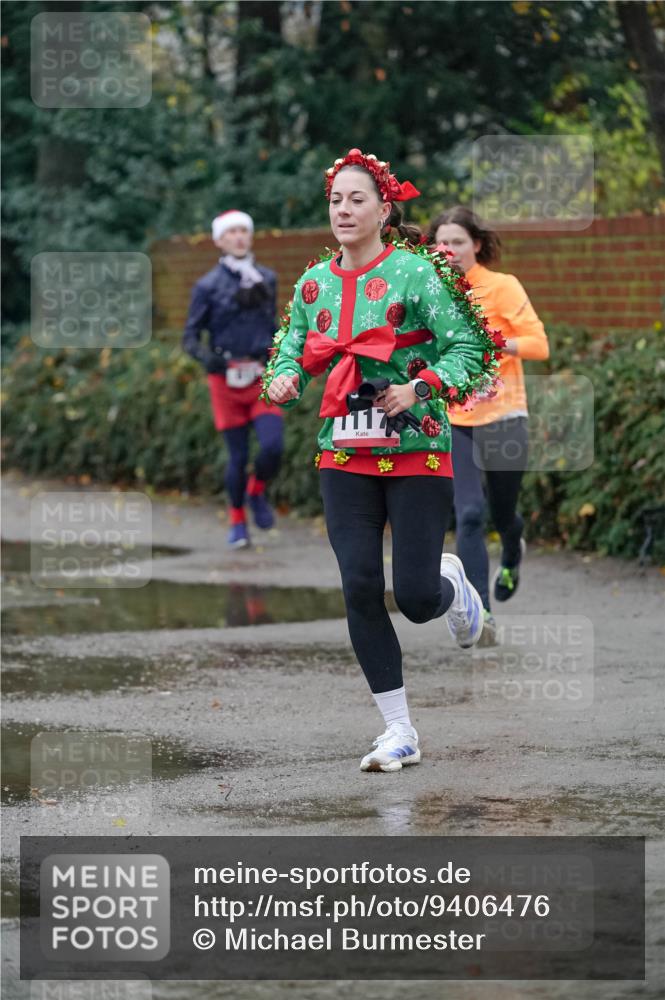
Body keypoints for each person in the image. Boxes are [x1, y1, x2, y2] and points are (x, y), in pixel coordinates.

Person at [264, 149, 501, 773]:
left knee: (416, 597)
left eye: (357, 199)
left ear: (384, 208)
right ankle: (398, 729)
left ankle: (453, 590)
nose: (344, 209)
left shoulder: (417, 274)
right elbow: (289, 349)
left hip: (418, 446)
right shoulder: (313, 283)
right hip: (344, 453)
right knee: (360, 587)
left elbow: (471, 347)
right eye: (336, 199)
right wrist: (284, 379)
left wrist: (418, 386)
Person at [429, 206, 550, 643]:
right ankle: (480, 613)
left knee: (501, 512)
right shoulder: (431, 292)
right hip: (455, 418)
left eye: (458, 241)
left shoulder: (502, 287)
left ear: (476, 244)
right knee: (469, 513)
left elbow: (539, 344)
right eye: (441, 243)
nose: (449, 250)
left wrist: (497, 342)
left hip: (504, 416)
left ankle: (513, 548)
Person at [183, 210, 283, 548]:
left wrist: (281, 355)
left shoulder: (266, 278)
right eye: (232, 232)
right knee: (237, 457)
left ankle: (257, 491)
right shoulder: (207, 286)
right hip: (224, 379)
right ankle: (238, 522)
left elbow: (274, 327)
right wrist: (208, 359)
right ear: (219, 240)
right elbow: (190, 337)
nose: (240, 237)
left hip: (260, 376)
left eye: (244, 230)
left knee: (273, 446)